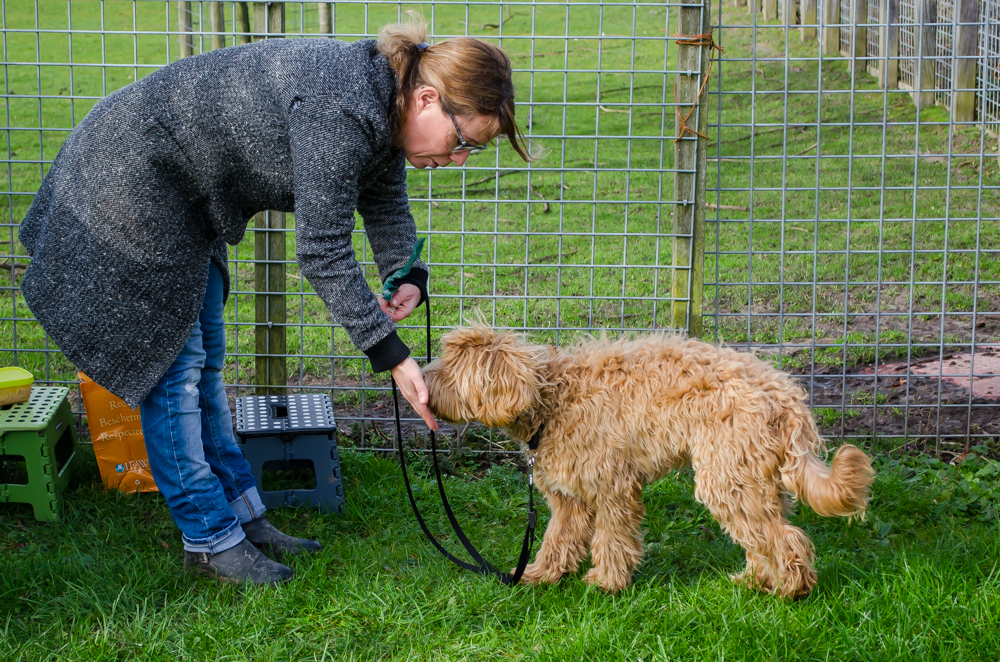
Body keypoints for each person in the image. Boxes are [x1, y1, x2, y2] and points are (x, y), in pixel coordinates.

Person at [18, 16, 532, 585]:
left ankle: (241, 517)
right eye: (462, 142)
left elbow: (382, 199)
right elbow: (323, 251)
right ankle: (210, 540)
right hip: (132, 180)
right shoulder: (341, 104)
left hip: (185, 197)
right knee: (175, 369)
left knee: (207, 360)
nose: (459, 159)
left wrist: (406, 273)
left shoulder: (387, 105)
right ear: (428, 98)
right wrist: (390, 353)